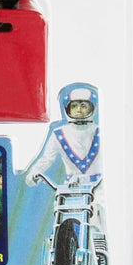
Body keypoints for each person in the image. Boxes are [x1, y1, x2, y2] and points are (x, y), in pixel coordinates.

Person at [26, 82, 104, 225]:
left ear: (92, 107)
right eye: (74, 106)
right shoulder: (59, 134)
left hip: (98, 187)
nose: (78, 110)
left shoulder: (101, 132)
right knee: (61, 220)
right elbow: (46, 159)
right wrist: (34, 172)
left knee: (102, 217)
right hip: (71, 187)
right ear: (67, 108)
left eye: (83, 105)